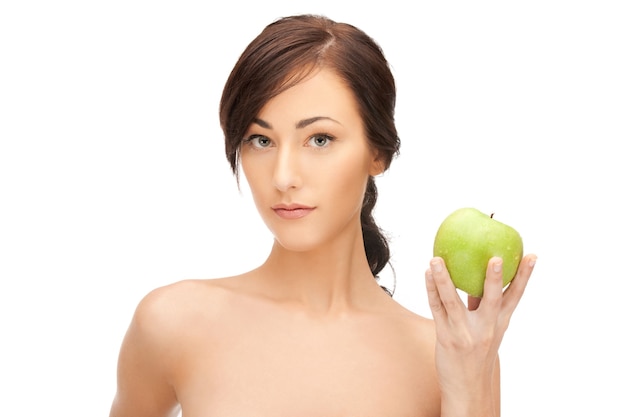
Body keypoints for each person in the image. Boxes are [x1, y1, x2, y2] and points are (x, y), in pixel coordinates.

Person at [109, 14, 536, 417]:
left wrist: (469, 388)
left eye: (319, 138)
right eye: (260, 140)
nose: (283, 176)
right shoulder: (172, 323)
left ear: (378, 153)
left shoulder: (446, 353)